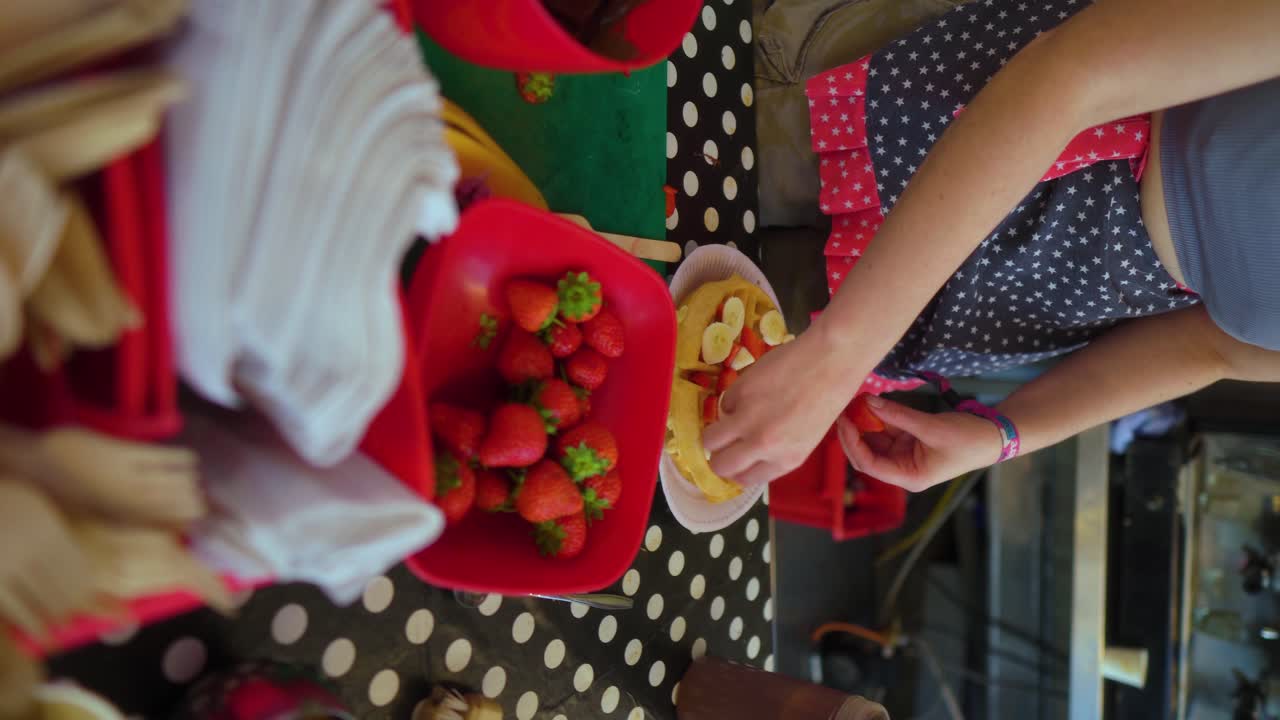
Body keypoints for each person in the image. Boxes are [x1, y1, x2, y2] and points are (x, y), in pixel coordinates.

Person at [704, 0, 1280, 492]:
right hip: (962, 122)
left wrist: (1004, 434)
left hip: (1027, 294)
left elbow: (1213, 349)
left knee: (689, 345)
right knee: (676, 168)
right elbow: (1073, 75)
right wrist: (836, 356)